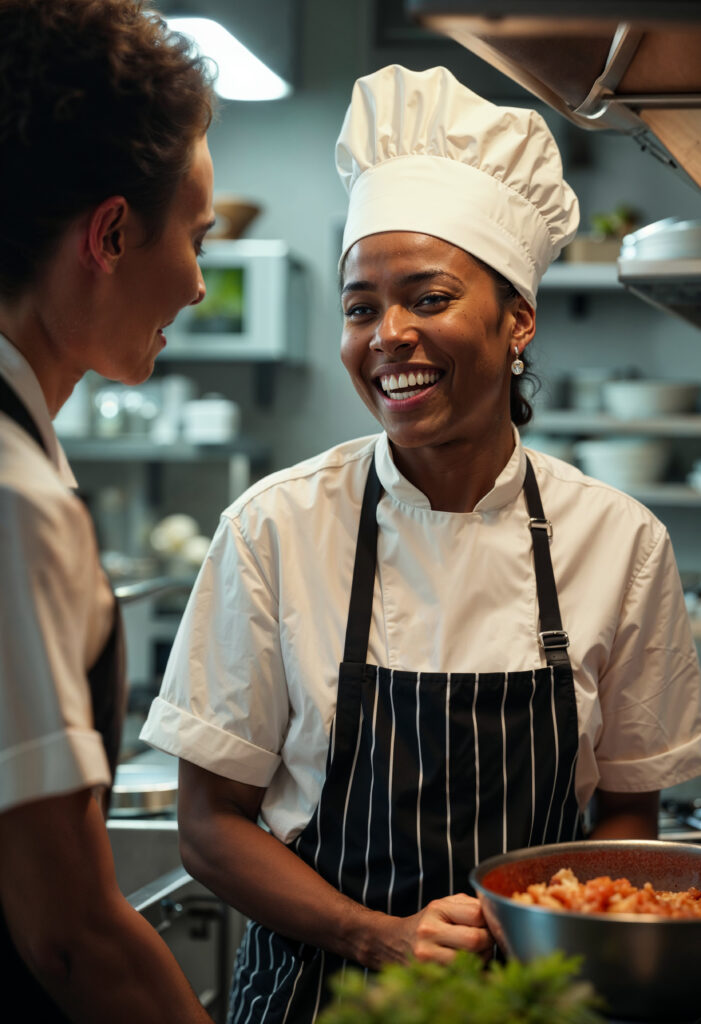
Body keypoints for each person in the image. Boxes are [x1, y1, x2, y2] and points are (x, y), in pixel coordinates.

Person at [141, 65, 701, 1023]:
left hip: (537, 1001)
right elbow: (209, 825)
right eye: (361, 308)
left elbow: (625, 819)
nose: (387, 336)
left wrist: (553, 925)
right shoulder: (275, 529)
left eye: (428, 299)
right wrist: (377, 934)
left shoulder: (620, 543)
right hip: (314, 1001)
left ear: (517, 317)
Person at [0, 1, 218, 1020]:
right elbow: (70, 933)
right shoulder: (15, 498)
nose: (199, 285)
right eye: (198, 238)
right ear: (112, 233)